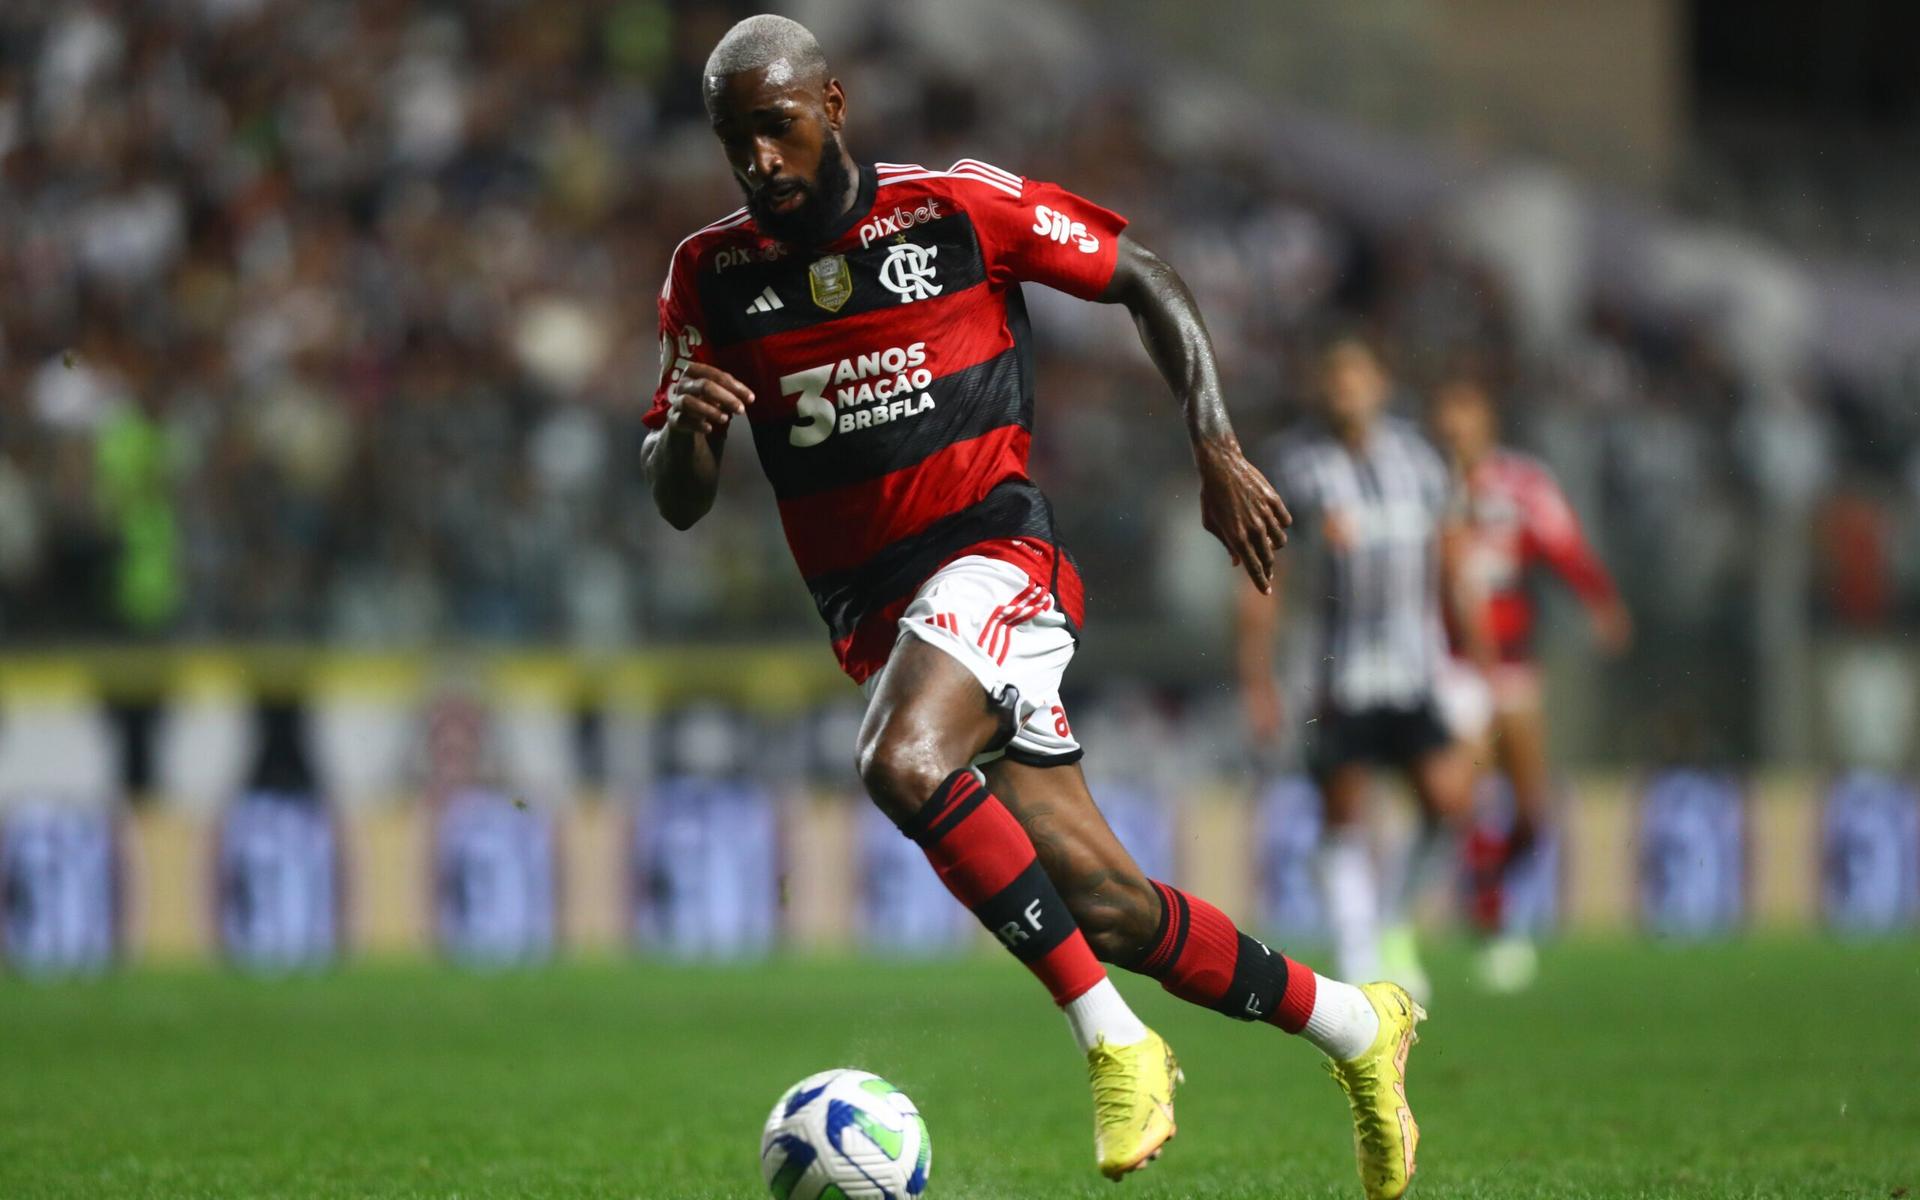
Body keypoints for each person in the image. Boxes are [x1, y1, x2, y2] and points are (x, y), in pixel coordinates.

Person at [643, 16, 1424, 1197]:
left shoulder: (951, 210)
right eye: (732, 138)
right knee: (1106, 903)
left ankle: (1115, 1044)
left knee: (902, 762)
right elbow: (679, 500)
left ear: (834, 103)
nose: (758, 158)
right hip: (880, 617)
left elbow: (1144, 278)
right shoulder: (711, 275)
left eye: (777, 124)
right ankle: (1360, 1029)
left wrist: (1211, 440)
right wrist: (690, 436)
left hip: (996, 558)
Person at [1237, 333, 1477, 1004]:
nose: (1345, 389)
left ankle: (1393, 922)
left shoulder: (1421, 462)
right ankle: (1358, 950)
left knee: (1448, 802)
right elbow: (1265, 578)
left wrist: (1474, 657)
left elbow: (1453, 559)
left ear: (1380, 383)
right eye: (1333, 378)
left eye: (1356, 376)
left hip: (1413, 668)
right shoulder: (1296, 465)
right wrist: (1258, 677)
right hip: (1334, 671)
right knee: (1344, 812)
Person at [1429, 371, 1630, 991]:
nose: (1456, 424)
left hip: (1514, 662)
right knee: (1461, 796)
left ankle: (1487, 881)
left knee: (1532, 813)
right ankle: (1490, 922)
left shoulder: (1522, 483)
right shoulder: (1421, 483)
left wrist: (1600, 602)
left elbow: (1564, 548)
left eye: (1467, 409)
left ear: (1488, 418)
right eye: (1447, 411)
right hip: (1449, 661)